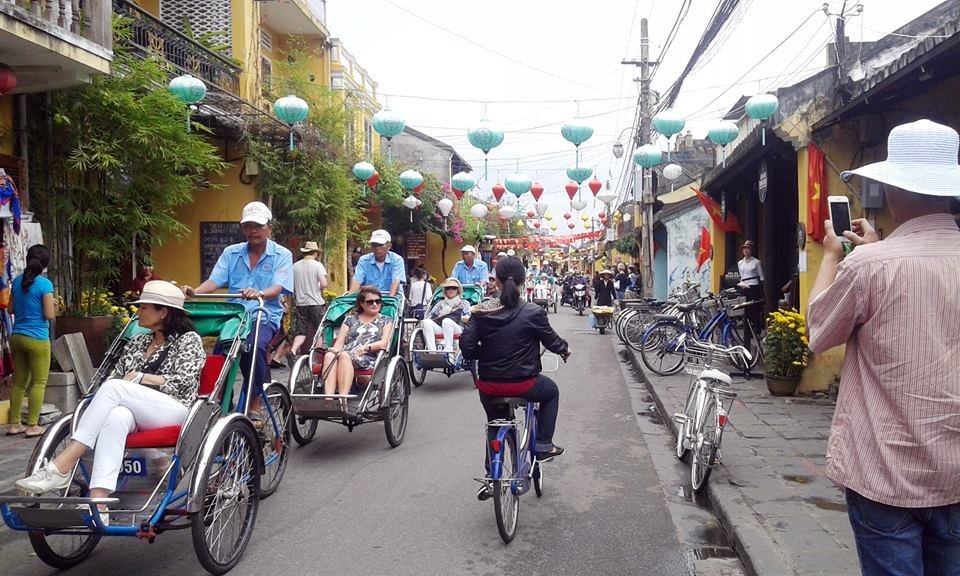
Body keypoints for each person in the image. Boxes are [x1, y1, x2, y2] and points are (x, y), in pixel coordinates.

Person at [807, 119, 960, 576]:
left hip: (883, 470)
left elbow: (819, 332)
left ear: (894, 192)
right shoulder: (879, 259)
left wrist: (835, 255)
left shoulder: (870, 266)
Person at [15, 281, 205, 524]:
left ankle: (63, 465)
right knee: (116, 416)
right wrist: (128, 383)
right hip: (135, 409)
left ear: (163, 312)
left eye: (144, 307)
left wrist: (140, 377)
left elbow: (184, 383)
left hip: (176, 409)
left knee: (116, 388)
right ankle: (99, 502)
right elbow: (114, 377)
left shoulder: (188, 341)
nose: (138, 312)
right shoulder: (137, 343)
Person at [461, 257, 570, 501]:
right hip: (525, 384)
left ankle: (492, 476)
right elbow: (552, 341)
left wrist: (485, 353)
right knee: (551, 392)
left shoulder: (481, 311)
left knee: (495, 423)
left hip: (488, 384)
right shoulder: (533, 311)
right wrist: (564, 349)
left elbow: (467, 349)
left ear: (496, 281)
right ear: (522, 281)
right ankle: (543, 445)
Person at [183, 201, 293, 414]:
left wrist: (259, 292)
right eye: (248, 226)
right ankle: (220, 403)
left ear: (269, 227)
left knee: (254, 347)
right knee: (220, 357)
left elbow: (278, 287)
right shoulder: (231, 252)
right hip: (234, 317)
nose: (253, 231)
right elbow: (214, 281)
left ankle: (255, 402)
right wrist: (193, 292)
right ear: (242, 229)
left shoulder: (282, 255)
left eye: (258, 226)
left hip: (264, 314)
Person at [6, 245, 55, 437]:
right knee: (39, 382)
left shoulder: (17, 282)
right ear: (45, 264)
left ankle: (15, 424)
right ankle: (32, 426)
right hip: (37, 339)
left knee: (19, 382)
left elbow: (10, 309)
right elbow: (49, 314)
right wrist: (54, 305)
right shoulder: (45, 284)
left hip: (17, 336)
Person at [322, 286, 394, 395]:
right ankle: (329, 399)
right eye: (370, 302)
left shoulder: (385, 320)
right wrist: (335, 349)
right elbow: (340, 342)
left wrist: (365, 348)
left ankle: (343, 399)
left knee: (345, 356)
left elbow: (384, 343)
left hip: (369, 355)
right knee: (329, 356)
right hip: (347, 353)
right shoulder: (349, 319)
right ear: (361, 303)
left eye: (378, 301)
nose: (375, 304)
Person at [289, 241, 328, 356]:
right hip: (316, 302)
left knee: (302, 331)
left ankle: (293, 350)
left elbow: (291, 285)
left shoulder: (295, 266)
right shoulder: (317, 265)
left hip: (300, 303)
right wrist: (317, 287)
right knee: (319, 330)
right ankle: (317, 353)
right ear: (315, 253)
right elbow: (324, 283)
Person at [420, 278, 471, 352]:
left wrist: (460, 317)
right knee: (426, 322)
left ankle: (448, 351)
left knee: (447, 321)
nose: (450, 290)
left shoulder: (464, 303)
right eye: (448, 288)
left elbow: (470, 318)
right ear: (445, 291)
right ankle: (432, 351)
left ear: (458, 290)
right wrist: (439, 316)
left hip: (458, 328)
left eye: (453, 288)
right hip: (441, 327)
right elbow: (430, 317)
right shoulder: (440, 303)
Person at [350, 229, 405, 296]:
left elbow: (395, 282)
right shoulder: (364, 260)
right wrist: (350, 299)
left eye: (380, 245)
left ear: (389, 246)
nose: (377, 248)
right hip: (369, 301)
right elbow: (356, 282)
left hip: (392, 300)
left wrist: (390, 301)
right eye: (374, 245)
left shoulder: (397, 260)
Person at [737, 240, 764, 347]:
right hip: (744, 286)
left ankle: (757, 331)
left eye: (748, 248)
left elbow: (761, 277)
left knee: (755, 310)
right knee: (745, 310)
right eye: (744, 248)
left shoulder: (756, 262)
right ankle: (747, 332)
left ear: (751, 250)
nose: (746, 250)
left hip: (754, 286)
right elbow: (741, 276)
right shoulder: (740, 263)